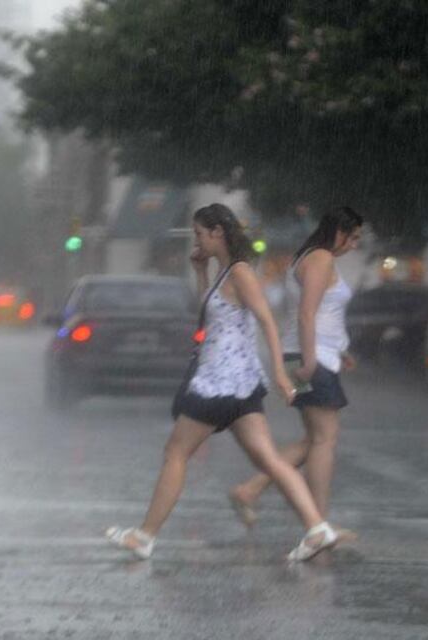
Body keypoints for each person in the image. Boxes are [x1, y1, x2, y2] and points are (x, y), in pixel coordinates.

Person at [105, 204, 338, 562]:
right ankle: (317, 528)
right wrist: (200, 271)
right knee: (270, 459)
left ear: (217, 232)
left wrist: (278, 371)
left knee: (175, 453)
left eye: (199, 234)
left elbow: (267, 322)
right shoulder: (224, 273)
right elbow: (212, 315)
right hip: (238, 386)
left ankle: (144, 536)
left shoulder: (241, 272)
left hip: (221, 383)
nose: (196, 240)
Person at [228, 207, 363, 534]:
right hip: (309, 357)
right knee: (324, 441)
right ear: (339, 232)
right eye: (354, 237)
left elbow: (319, 317)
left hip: (311, 353)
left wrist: (338, 349)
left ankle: (251, 490)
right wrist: (310, 360)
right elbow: (306, 314)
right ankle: (318, 524)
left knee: (316, 438)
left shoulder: (310, 257)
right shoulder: (320, 259)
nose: (355, 245)